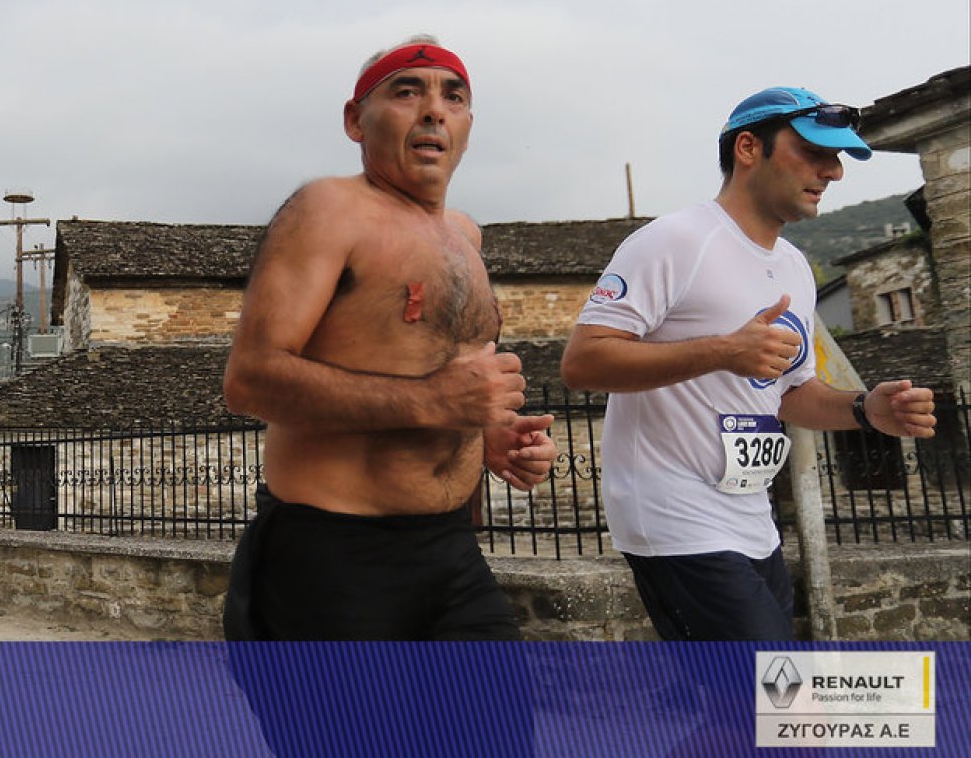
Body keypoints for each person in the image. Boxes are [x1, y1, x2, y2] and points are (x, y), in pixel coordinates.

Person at [560, 86, 938, 641]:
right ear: (747, 148)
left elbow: (788, 394)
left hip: (753, 521)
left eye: (836, 158)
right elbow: (582, 363)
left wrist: (865, 410)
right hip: (674, 516)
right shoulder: (675, 241)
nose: (832, 172)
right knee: (773, 689)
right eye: (813, 152)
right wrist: (722, 351)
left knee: (739, 696)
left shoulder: (795, 267)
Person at [221, 35, 558, 641]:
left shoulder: (465, 237)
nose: (434, 111)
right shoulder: (328, 209)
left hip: (452, 552)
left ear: (468, 124)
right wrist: (433, 402)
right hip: (333, 558)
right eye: (407, 92)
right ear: (356, 120)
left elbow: (448, 379)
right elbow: (250, 380)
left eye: (453, 97)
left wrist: (491, 433)